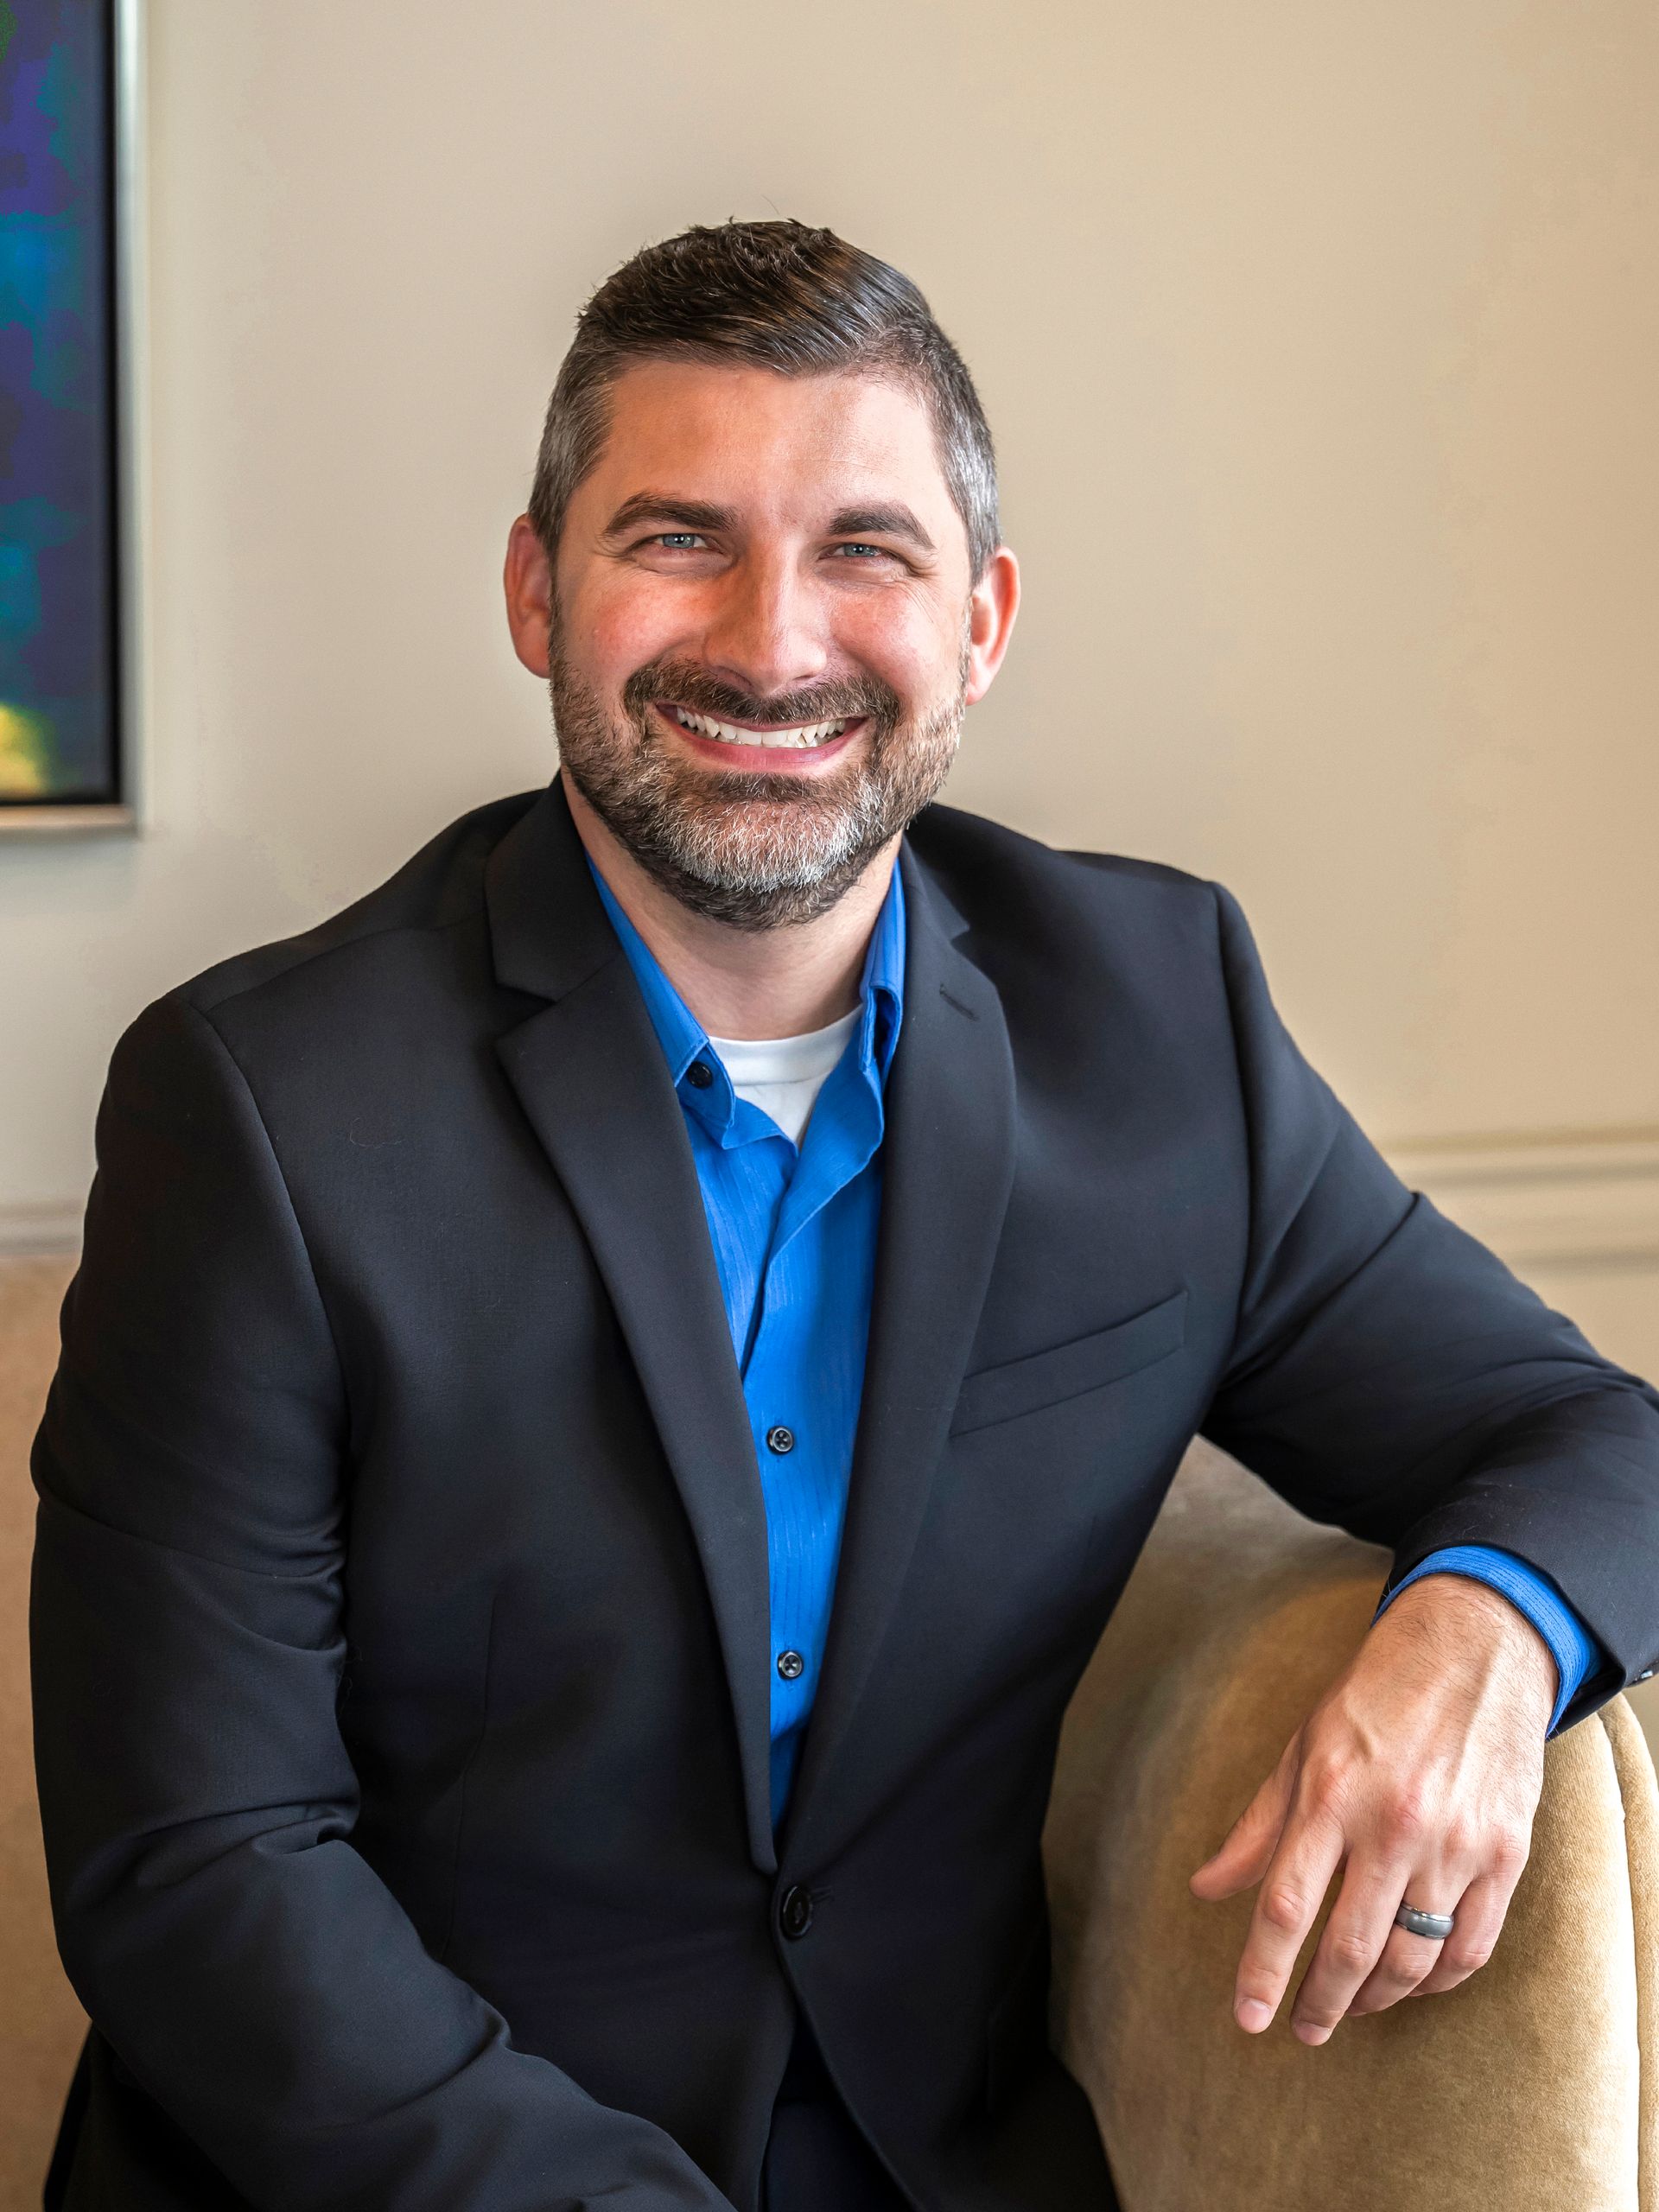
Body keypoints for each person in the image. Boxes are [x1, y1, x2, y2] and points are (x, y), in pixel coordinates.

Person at [30, 219, 1659, 2212]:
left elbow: (1594, 1433)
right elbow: (197, 1865)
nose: (774, 640)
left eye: (863, 550)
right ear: (539, 591)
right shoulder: (260, 1110)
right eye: (677, 536)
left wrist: (1487, 1630)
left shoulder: (1159, 1025)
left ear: (979, 616)